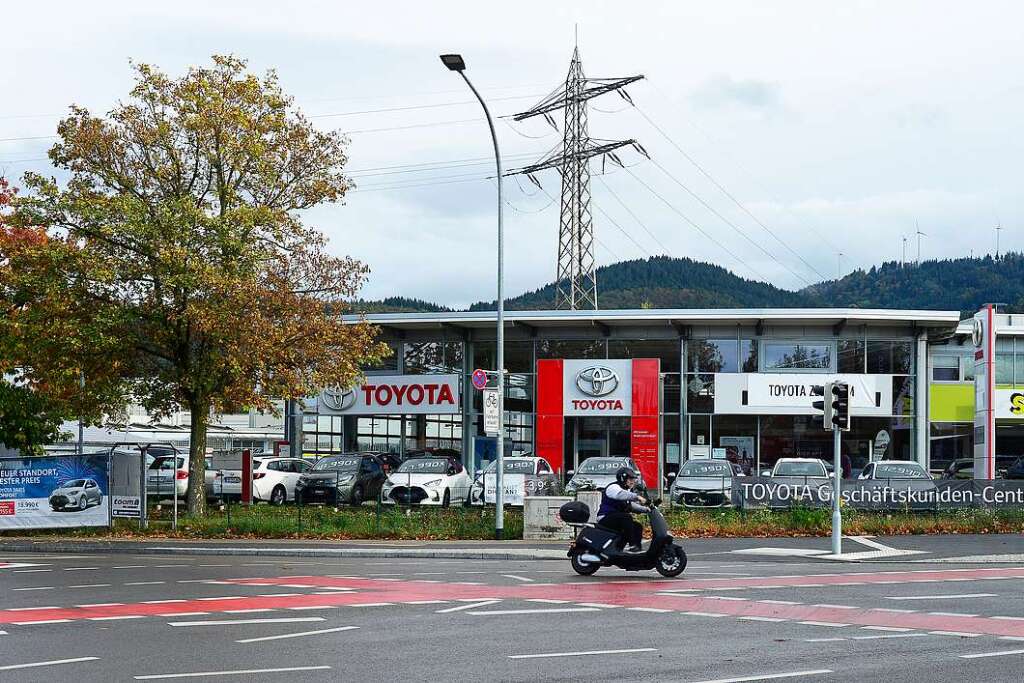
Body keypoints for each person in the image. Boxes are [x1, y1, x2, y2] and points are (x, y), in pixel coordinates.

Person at [596, 467, 650, 552]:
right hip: (605, 517)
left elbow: (630, 505)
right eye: (630, 479)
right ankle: (632, 545)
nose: (633, 481)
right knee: (626, 517)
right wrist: (637, 497)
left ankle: (632, 549)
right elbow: (621, 495)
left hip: (617, 519)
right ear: (623, 478)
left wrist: (646, 509)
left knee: (637, 526)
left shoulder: (627, 490)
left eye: (633, 479)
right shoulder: (613, 487)